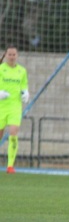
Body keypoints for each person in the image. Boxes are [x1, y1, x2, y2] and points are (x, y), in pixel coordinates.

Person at [0, 46, 30, 174]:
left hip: (15, 106)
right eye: (10, 54)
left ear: (17, 56)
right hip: (2, 105)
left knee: (13, 131)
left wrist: (26, 93)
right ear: (6, 55)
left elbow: (24, 85)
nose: (12, 57)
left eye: (14, 54)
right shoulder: (1, 69)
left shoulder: (22, 71)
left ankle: (10, 166)